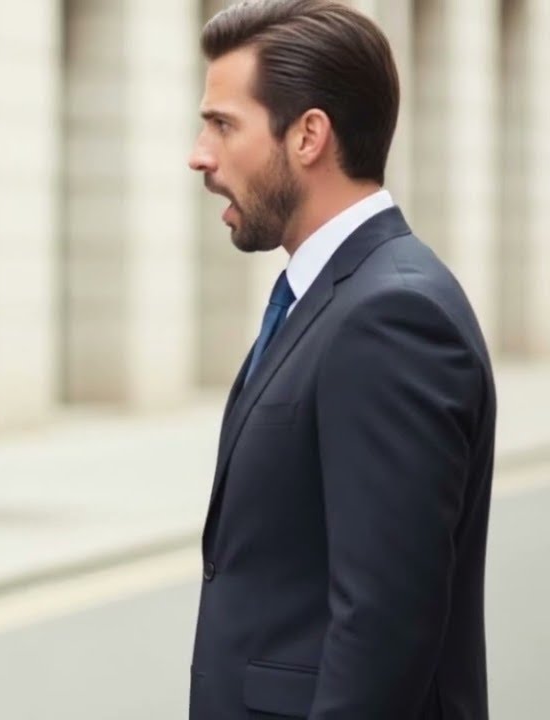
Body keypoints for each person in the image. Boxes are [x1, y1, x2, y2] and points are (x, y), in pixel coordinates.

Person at [186, 2, 494, 718]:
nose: (200, 154)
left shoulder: (392, 317)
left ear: (309, 136)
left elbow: (385, 626)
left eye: (223, 124)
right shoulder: (329, 295)